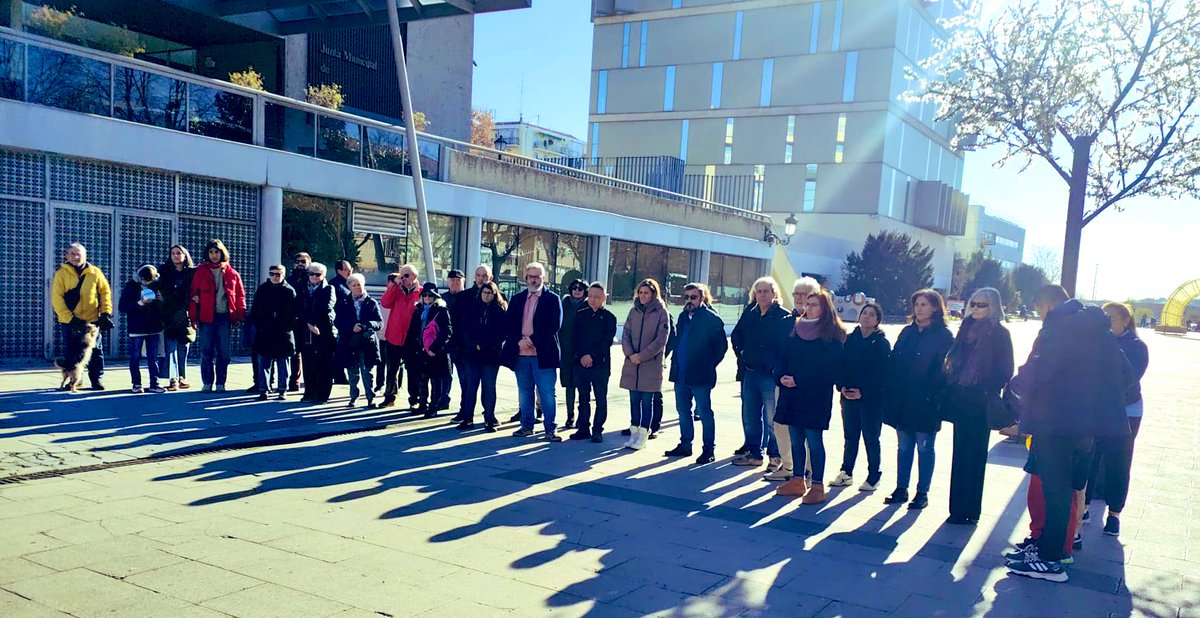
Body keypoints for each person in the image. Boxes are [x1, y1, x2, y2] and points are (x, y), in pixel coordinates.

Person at [1004, 285, 1132, 583]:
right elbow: (1127, 375)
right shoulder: (1099, 331)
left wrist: (1012, 392)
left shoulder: (1059, 328)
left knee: (1055, 491)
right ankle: (1052, 551)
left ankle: (1050, 560)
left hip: (1054, 422)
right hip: (1085, 426)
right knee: (1065, 489)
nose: (1040, 316)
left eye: (1038, 310)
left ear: (1047, 305)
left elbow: (1037, 373)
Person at [941, 287, 1014, 525]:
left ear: (993, 307)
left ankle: (971, 510)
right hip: (961, 398)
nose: (975, 308)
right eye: (973, 303)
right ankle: (956, 509)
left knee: (975, 455)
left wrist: (985, 387)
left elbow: (1005, 369)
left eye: (981, 304)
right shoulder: (965, 329)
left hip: (981, 400)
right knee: (959, 454)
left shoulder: (1000, 333)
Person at [1082, 302, 1149, 538]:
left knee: (1119, 461)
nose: (1106, 322)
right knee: (1090, 457)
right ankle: (1084, 507)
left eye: (1110, 318)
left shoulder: (1137, 347)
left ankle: (1114, 514)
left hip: (1126, 410)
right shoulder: (1094, 343)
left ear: (1125, 321)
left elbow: (1129, 379)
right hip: (1097, 410)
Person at [883, 289, 954, 510]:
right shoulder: (908, 332)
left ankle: (922, 492)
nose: (919, 309)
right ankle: (901, 488)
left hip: (927, 401)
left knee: (925, 447)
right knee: (904, 447)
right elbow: (894, 361)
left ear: (935, 307)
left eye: (924, 304)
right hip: (903, 399)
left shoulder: (943, 335)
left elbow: (945, 371)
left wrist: (934, 395)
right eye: (916, 305)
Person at [773, 290, 846, 504]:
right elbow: (783, 356)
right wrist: (780, 376)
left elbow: (828, 369)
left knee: (814, 441)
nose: (809, 308)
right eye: (808, 304)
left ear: (825, 308)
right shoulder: (796, 328)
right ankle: (797, 480)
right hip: (791, 393)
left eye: (814, 304)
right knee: (795, 439)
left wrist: (799, 379)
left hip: (815, 396)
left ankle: (817, 485)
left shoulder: (832, 333)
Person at [729, 276, 793, 475]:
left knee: (773, 420)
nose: (762, 295)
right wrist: (742, 353)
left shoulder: (783, 317)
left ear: (774, 293)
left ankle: (776, 457)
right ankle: (754, 453)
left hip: (770, 378)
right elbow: (737, 335)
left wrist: (776, 368)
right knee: (750, 417)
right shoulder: (750, 313)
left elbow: (787, 347)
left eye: (766, 291)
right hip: (750, 373)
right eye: (759, 291)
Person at [830, 302, 891, 492]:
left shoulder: (881, 343)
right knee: (850, 437)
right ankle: (846, 472)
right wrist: (842, 387)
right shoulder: (849, 339)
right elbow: (839, 365)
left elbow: (883, 374)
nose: (867, 317)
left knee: (871, 438)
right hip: (848, 397)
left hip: (871, 400)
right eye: (864, 313)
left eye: (872, 314)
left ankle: (874, 476)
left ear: (877, 320)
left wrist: (863, 392)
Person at [664, 283, 728, 464]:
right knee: (683, 411)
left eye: (693, 297)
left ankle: (708, 450)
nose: (689, 301)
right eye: (686, 297)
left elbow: (721, 348)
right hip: (681, 375)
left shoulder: (711, 319)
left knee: (705, 413)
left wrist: (707, 365)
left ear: (702, 298)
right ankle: (685, 444)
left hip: (700, 377)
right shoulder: (683, 317)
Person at [502, 262, 564, 442]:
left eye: (537, 277)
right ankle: (526, 426)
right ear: (526, 278)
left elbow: (554, 325)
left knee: (547, 393)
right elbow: (509, 324)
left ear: (544, 278)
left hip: (543, 355)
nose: (534, 280)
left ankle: (550, 429)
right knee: (525, 392)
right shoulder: (517, 299)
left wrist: (530, 341)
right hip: (521, 355)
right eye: (531, 276)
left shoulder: (552, 299)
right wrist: (519, 342)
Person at [51, 243, 113, 390]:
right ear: (66, 256)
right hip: (71, 321)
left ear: (85, 255)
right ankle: (75, 380)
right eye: (72, 254)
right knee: (72, 352)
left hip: (92, 320)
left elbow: (104, 292)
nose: (76, 257)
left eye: (79, 254)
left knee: (96, 352)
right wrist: (70, 318)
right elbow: (57, 299)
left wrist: (105, 312)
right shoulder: (61, 274)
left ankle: (97, 379)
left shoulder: (95, 272)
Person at [618, 278, 671, 450]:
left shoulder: (661, 313)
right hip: (632, 364)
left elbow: (661, 340)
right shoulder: (633, 312)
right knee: (634, 401)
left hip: (650, 365)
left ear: (653, 294)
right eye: (640, 292)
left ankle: (643, 434)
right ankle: (634, 433)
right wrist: (630, 354)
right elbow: (625, 334)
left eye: (646, 293)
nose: (642, 295)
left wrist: (642, 356)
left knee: (647, 402)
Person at [188, 239, 246, 393]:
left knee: (224, 353)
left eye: (217, 252)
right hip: (206, 317)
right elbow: (193, 294)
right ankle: (207, 382)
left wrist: (240, 315)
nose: (214, 255)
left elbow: (240, 296)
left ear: (222, 253)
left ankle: (221, 382)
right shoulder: (201, 271)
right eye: (211, 252)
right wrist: (193, 317)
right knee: (206, 351)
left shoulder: (232, 273)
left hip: (224, 317)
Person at [569, 282, 618, 443]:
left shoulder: (609, 318)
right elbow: (574, 338)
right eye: (590, 296)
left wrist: (592, 356)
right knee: (583, 398)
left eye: (597, 297)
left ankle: (597, 430)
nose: (593, 300)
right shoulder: (580, 314)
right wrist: (582, 356)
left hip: (600, 364)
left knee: (600, 398)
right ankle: (583, 427)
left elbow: (606, 341)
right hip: (580, 363)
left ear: (604, 298)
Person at [458, 280, 507, 432]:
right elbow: (463, 329)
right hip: (472, 355)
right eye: (484, 292)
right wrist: (473, 344)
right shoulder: (472, 309)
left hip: (490, 356)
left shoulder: (499, 311)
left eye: (490, 293)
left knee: (489, 388)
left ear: (494, 294)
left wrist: (486, 344)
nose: (486, 295)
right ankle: (468, 419)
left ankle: (489, 419)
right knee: (470, 387)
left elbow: (502, 334)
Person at [336, 274, 383, 408]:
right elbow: (338, 322)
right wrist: (351, 327)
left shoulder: (371, 302)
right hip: (349, 341)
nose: (357, 287)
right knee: (352, 371)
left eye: (359, 285)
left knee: (367, 371)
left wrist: (366, 325)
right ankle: (353, 397)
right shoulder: (344, 302)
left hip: (367, 342)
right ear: (349, 287)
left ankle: (370, 397)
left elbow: (379, 323)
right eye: (354, 285)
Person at [406, 282, 452, 417]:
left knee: (436, 380)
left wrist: (435, 348)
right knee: (422, 378)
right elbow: (412, 331)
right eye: (425, 295)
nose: (427, 297)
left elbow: (447, 331)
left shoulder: (441, 310)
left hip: (435, 352)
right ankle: (422, 404)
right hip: (420, 350)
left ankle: (433, 407)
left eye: (430, 295)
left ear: (435, 297)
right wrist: (410, 349)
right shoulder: (419, 310)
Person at [251, 265, 296, 401]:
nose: (275, 277)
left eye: (278, 274)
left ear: (283, 275)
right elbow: (255, 308)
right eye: (272, 274)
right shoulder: (263, 289)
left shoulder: (289, 291)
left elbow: (293, 313)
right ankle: (263, 390)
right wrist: (258, 325)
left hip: (283, 332)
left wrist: (286, 326)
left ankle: (282, 390)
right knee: (264, 361)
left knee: (283, 362)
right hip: (265, 331)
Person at [118, 265, 166, 394]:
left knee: (153, 357)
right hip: (136, 327)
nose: (146, 283)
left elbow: (164, 305)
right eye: (144, 280)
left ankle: (154, 383)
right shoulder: (131, 286)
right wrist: (140, 303)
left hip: (154, 327)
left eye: (149, 280)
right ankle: (136, 383)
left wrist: (157, 302)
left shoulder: (157, 286)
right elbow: (122, 307)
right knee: (135, 356)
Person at [379, 264, 422, 409]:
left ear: (414, 277)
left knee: (413, 370)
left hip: (412, 338)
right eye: (401, 275)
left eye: (406, 276)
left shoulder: (422, 292)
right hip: (394, 336)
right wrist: (393, 287)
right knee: (391, 369)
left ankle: (414, 399)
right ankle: (389, 397)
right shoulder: (396, 290)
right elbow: (385, 303)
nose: (403, 278)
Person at [294, 262, 337, 403]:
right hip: (306, 329)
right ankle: (309, 393)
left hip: (323, 330)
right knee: (308, 362)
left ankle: (322, 395)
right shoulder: (301, 287)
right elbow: (297, 306)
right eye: (311, 273)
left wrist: (314, 322)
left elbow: (327, 307)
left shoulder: (329, 288)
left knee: (324, 363)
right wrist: (308, 322)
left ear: (323, 275)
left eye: (317, 274)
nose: (314, 276)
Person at [158, 244, 195, 390]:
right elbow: (160, 292)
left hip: (185, 315)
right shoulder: (164, 272)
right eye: (173, 253)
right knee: (170, 348)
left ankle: (182, 377)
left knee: (183, 347)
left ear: (185, 255)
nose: (175, 255)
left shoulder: (191, 273)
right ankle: (172, 378)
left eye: (179, 253)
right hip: (169, 314)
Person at [559, 279, 589, 430]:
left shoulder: (588, 305)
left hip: (582, 353)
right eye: (574, 288)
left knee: (582, 386)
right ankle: (570, 415)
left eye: (581, 288)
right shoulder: (564, 304)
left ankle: (582, 418)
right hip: (566, 352)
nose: (577, 291)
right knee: (569, 386)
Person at [444, 269, 470, 418]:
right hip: (445, 345)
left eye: (458, 280)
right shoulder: (442, 299)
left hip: (462, 346)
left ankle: (464, 409)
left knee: (464, 379)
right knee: (444, 376)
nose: (455, 282)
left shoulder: (469, 298)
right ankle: (442, 400)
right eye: (452, 280)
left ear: (463, 281)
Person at [286, 252, 312, 392]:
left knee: (307, 352)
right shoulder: (289, 279)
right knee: (294, 352)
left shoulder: (311, 278)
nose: (300, 264)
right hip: (292, 320)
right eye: (297, 261)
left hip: (306, 320)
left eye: (303, 261)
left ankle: (308, 382)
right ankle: (293, 381)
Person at [329, 260, 355, 386]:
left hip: (348, 322)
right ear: (339, 271)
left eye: (351, 269)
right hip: (338, 321)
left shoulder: (350, 283)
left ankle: (340, 374)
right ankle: (338, 375)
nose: (349, 272)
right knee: (338, 349)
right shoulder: (335, 284)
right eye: (346, 269)